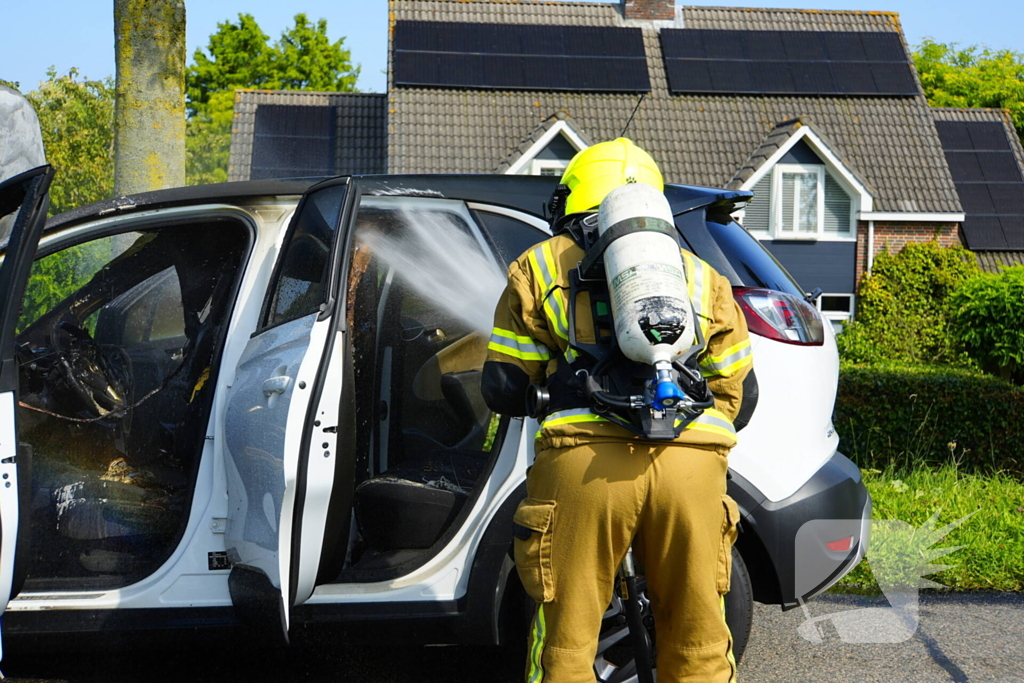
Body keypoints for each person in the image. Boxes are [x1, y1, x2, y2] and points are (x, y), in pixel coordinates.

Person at [481, 138, 752, 683]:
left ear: (574, 200)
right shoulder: (700, 274)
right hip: (692, 470)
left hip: (585, 470)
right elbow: (741, 395)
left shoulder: (538, 265)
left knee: (566, 648)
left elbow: (505, 385)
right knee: (699, 645)